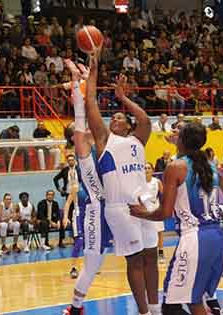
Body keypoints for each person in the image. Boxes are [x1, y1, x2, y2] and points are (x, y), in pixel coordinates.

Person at [129, 122, 223, 315]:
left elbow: (164, 213)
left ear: (181, 140)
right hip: (216, 236)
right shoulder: (208, 165)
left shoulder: (175, 167)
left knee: (175, 306)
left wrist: (141, 213)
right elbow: (222, 178)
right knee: (188, 301)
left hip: (195, 238)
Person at [84, 47, 159, 315]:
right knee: (135, 259)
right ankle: (143, 312)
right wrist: (93, 71)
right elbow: (90, 103)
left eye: (119, 117)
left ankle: (155, 306)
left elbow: (145, 119)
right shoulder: (105, 141)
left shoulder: (137, 140)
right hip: (120, 208)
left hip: (144, 205)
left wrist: (123, 98)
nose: (114, 119)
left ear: (127, 124)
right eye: (112, 117)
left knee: (152, 256)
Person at [62, 60, 113, 315]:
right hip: (95, 209)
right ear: (75, 136)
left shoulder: (100, 142)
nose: (81, 129)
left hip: (116, 208)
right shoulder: (82, 148)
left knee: (140, 252)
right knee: (92, 263)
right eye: (77, 130)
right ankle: (75, 308)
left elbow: (90, 108)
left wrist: (86, 78)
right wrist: (76, 80)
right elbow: (81, 113)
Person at [144, 162, 164, 263]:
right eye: (145, 168)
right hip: (144, 209)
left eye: (148, 168)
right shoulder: (139, 182)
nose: (147, 170)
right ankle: (147, 254)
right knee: (145, 232)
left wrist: (162, 208)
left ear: (152, 170)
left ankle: (160, 253)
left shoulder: (157, 182)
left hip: (155, 207)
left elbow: (163, 195)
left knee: (159, 231)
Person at [53, 154, 79, 228]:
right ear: (67, 162)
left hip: (78, 193)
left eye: (72, 160)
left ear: (75, 160)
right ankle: (73, 232)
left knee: (78, 211)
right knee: (70, 212)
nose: (71, 162)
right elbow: (55, 179)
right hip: (68, 192)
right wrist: (59, 189)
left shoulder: (79, 169)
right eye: (69, 160)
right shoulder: (65, 170)